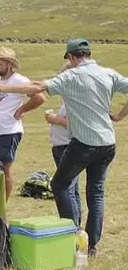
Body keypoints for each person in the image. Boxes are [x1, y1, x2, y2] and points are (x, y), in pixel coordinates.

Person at [0, 39, 128, 256]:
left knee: (60, 184)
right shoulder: (107, 73)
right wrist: (118, 116)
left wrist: (1, 87)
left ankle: (71, 234)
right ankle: (91, 246)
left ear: (71, 58)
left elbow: (37, 88)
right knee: (96, 193)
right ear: (88, 54)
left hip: (83, 143)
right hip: (108, 143)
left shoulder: (70, 76)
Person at [0, 48, 45, 199]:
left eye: (0, 64)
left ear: (10, 64)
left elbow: (39, 97)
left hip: (9, 130)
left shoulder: (20, 80)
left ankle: (2, 203)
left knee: (4, 168)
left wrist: (22, 109)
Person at [46, 65, 81, 225]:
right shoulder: (67, 99)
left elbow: (76, 124)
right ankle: (76, 224)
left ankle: (72, 226)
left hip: (68, 146)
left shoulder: (76, 99)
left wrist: (55, 119)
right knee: (72, 189)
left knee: (66, 187)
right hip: (61, 145)